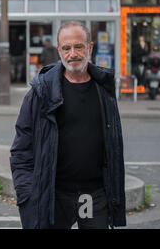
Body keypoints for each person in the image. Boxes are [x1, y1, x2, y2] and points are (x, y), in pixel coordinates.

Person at [10, 20, 126, 229]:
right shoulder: (41, 92)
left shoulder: (103, 89)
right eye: (66, 48)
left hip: (93, 196)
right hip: (54, 195)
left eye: (79, 46)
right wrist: (28, 194)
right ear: (59, 50)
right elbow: (21, 150)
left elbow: (113, 145)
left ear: (90, 47)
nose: (73, 54)